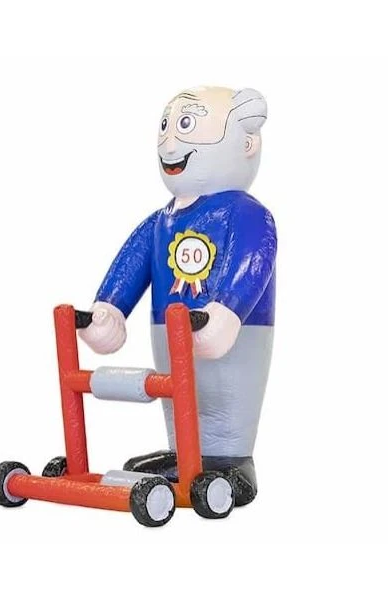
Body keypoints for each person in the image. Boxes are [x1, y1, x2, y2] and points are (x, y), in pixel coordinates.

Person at [79, 86, 276, 505]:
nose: (170, 143)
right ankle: (185, 453)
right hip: (168, 327)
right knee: (179, 394)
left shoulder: (246, 213)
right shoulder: (162, 220)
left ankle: (231, 460)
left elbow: (252, 261)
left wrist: (227, 311)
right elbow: (132, 264)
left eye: (186, 125)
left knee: (223, 400)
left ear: (246, 143)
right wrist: (109, 308)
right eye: (167, 126)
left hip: (236, 330)